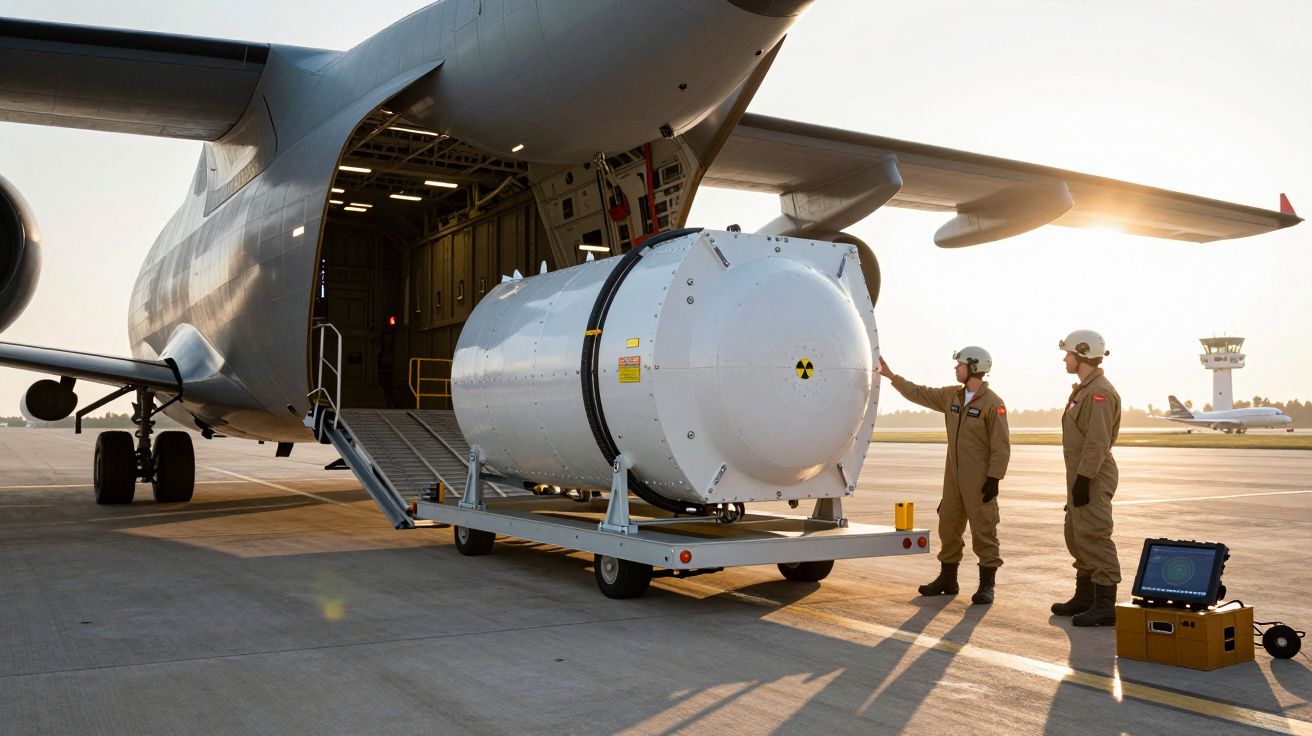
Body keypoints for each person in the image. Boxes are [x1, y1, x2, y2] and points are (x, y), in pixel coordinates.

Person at [879, 347, 1009, 604]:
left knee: (984, 531)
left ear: (973, 367)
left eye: (960, 364)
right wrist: (892, 376)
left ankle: (987, 585)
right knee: (948, 527)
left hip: (979, 481)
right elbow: (919, 393)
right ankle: (948, 579)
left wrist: (994, 478)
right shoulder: (952, 396)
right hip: (953, 479)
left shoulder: (993, 404)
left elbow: (1001, 445)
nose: (956, 368)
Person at [1051, 330, 1121, 627]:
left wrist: (1084, 479)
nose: (1065, 359)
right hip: (1079, 474)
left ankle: (1105, 604)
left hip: (1092, 474)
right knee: (1076, 534)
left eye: (1068, 354)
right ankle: (1085, 596)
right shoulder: (1083, 390)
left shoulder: (1098, 393)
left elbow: (1097, 441)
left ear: (1082, 354)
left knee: (1094, 535)